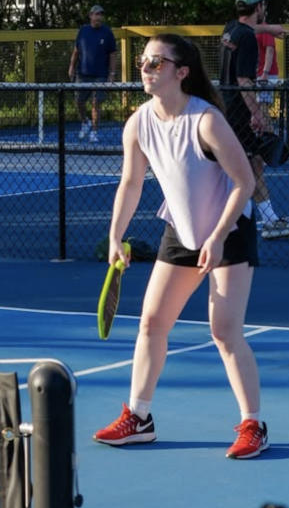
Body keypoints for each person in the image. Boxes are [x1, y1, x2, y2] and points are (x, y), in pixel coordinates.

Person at [93, 34, 268, 459]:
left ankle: (253, 425)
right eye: (143, 61)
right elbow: (130, 184)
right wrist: (115, 236)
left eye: (157, 62)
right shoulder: (138, 123)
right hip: (182, 232)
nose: (146, 68)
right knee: (152, 324)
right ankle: (139, 418)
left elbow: (245, 182)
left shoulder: (206, 120)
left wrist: (218, 236)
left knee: (224, 332)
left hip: (229, 230)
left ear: (181, 72)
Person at [221, 0, 289, 240]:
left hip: (227, 108)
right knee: (248, 168)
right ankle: (267, 221)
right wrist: (257, 114)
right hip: (240, 112)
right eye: (262, 5)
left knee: (249, 164)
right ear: (257, 8)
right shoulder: (246, 39)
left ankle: (266, 219)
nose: (264, 8)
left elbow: (247, 29)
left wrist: (269, 29)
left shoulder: (231, 29)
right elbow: (244, 80)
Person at [68, 4, 117, 143]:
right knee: (79, 101)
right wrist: (71, 66)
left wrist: (112, 74)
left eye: (101, 14)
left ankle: (94, 132)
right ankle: (85, 122)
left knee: (96, 103)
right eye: (96, 14)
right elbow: (76, 51)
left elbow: (113, 54)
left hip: (100, 75)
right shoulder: (83, 31)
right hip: (83, 74)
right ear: (90, 16)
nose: (99, 17)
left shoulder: (107, 32)